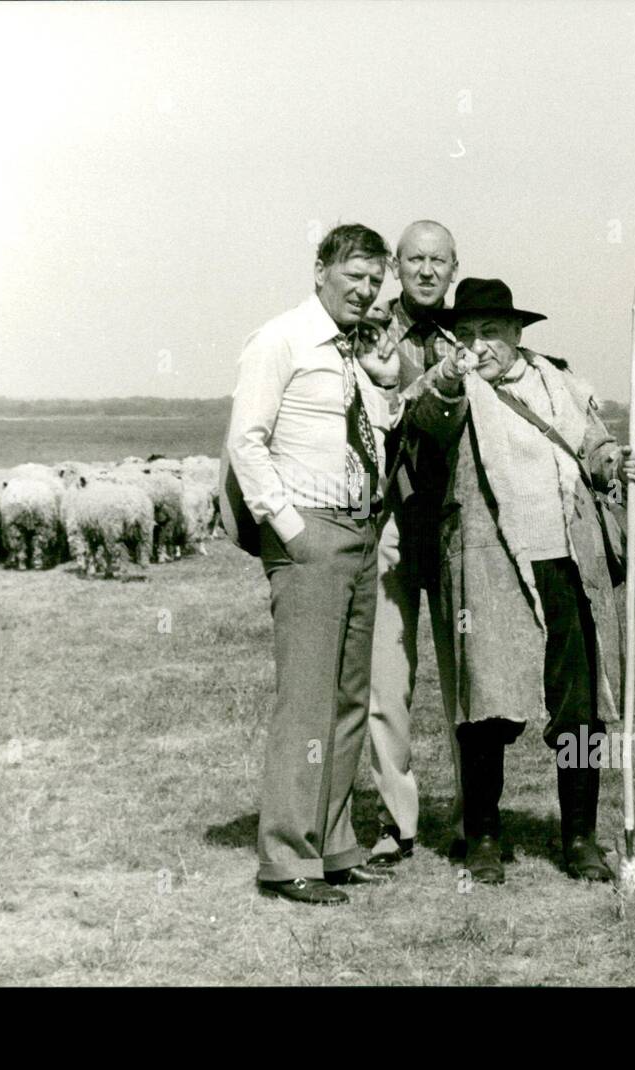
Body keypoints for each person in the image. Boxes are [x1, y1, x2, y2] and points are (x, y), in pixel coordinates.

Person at [409, 277, 635, 884]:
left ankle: (580, 838)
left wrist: (621, 463)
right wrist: (446, 378)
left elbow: (594, 449)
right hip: (487, 566)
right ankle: (484, 837)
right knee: (486, 705)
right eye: (465, 334)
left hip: (569, 562)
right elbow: (427, 422)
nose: (478, 346)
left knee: (581, 710)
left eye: (491, 333)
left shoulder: (559, 383)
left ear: (518, 335)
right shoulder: (448, 387)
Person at [225, 223, 403, 905]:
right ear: (321, 270)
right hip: (311, 535)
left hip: (359, 531)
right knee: (306, 700)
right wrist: (292, 531)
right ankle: (287, 858)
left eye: (373, 279)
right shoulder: (281, 341)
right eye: (353, 276)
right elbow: (247, 440)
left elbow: (365, 429)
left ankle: (333, 845)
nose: (365, 290)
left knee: (349, 699)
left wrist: (391, 391)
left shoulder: (358, 353)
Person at [362, 220, 467, 865]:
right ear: (396, 267)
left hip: (458, 529)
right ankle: (396, 824)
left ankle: (469, 818)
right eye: (414, 260)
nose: (426, 271)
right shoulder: (368, 336)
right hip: (390, 525)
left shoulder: (472, 339)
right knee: (386, 682)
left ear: (455, 268)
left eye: (439, 260)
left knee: (466, 680)